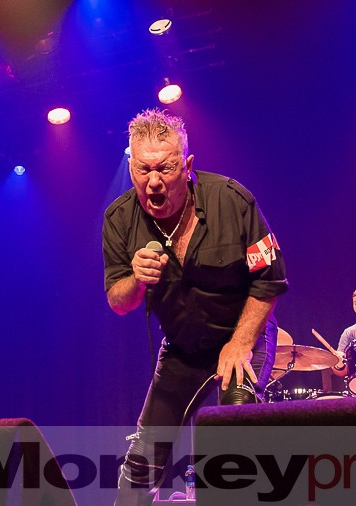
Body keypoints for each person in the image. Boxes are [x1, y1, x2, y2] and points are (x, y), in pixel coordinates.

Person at [103, 109, 288, 505]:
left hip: (241, 337)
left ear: (186, 166)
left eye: (165, 168)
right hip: (183, 349)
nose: (153, 182)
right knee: (141, 464)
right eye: (142, 169)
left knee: (233, 445)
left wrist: (240, 344)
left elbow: (269, 279)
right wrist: (136, 279)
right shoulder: (119, 219)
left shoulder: (232, 199)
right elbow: (118, 302)